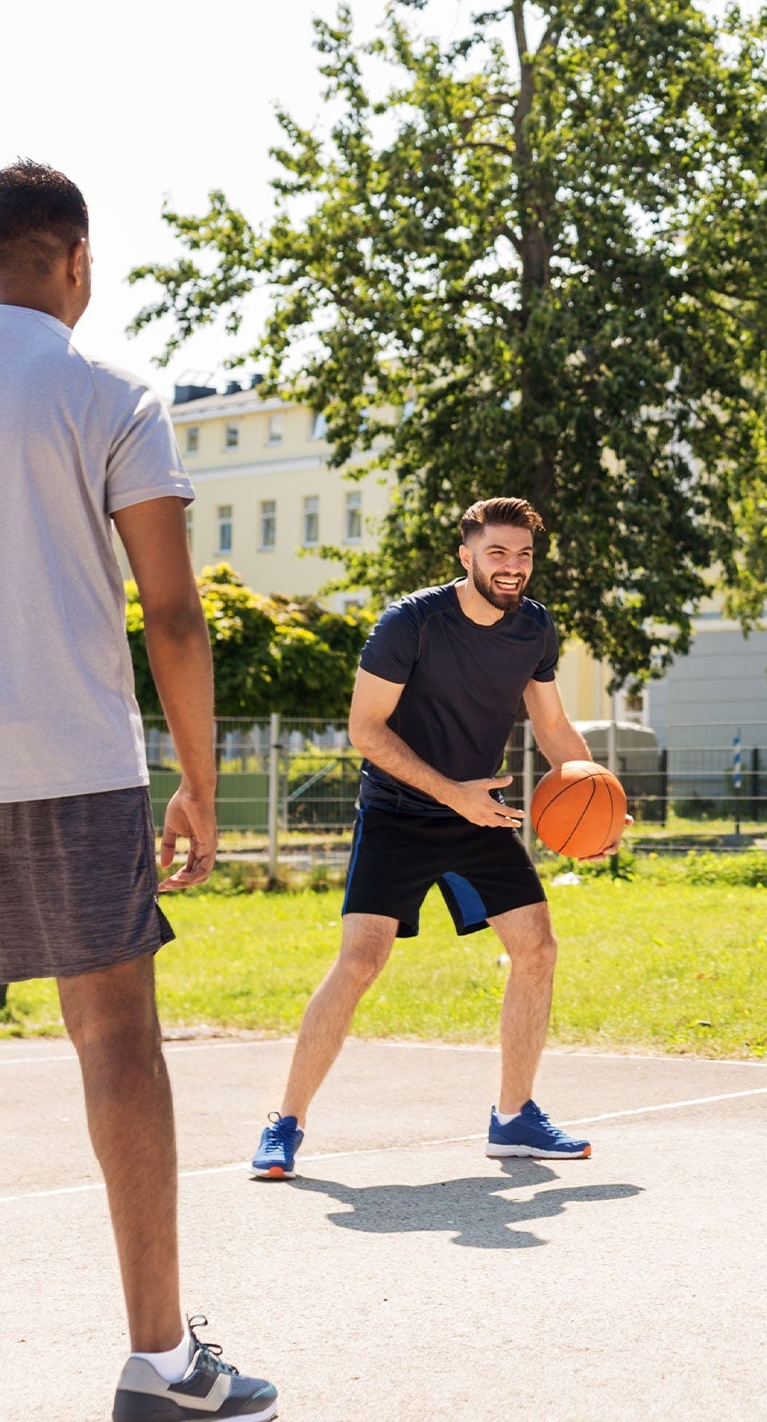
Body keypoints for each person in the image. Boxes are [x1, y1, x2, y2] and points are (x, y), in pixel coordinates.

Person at [0, 162, 277, 1421]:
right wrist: (201, 787)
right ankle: (161, 1364)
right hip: (71, 766)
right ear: (76, 260)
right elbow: (171, 609)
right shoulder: (116, 394)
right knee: (116, 1039)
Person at [250, 496, 616, 1178]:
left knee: (536, 949)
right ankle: (286, 1122)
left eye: (524, 555)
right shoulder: (410, 623)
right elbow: (365, 730)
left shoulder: (533, 629)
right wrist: (453, 795)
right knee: (361, 961)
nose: (512, 567)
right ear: (467, 555)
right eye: (498, 553)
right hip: (399, 810)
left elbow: (554, 728)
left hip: (479, 812)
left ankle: (513, 1119)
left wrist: (598, 795)